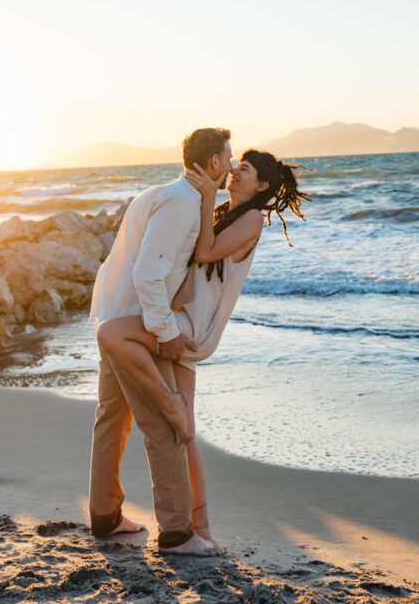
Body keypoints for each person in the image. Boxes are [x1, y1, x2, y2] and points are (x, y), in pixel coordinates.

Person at [96, 148, 309, 547]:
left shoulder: (251, 220)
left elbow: (207, 253)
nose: (233, 171)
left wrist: (208, 194)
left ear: (261, 185)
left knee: (112, 333)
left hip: (193, 328)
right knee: (186, 433)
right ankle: (201, 530)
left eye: (243, 169)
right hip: (181, 321)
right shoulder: (222, 214)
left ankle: (195, 521)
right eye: (234, 164)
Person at [88, 126, 234, 557]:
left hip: (114, 313)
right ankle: (176, 533)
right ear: (213, 163)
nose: (230, 165)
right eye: (229, 158)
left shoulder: (170, 194)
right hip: (136, 325)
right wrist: (167, 335)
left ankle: (105, 517)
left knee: (112, 419)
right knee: (166, 416)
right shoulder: (182, 204)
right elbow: (148, 275)